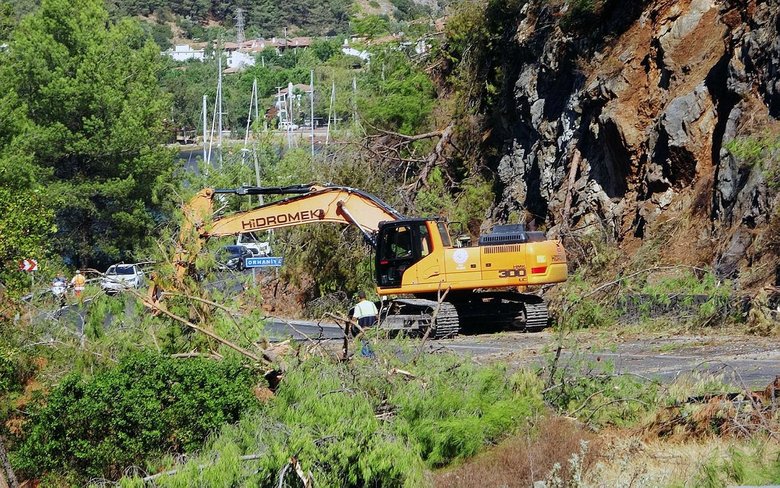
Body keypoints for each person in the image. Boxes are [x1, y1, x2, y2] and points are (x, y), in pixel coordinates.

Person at [350, 291, 378, 358]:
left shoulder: (358, 306)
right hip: (372, 324)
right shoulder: (372, 304)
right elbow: (377, 316)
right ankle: (372, 357)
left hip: (363, 324)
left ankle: (366, 357)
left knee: (363, 341)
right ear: (365, 297)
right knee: (371, 340)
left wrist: (352, 325)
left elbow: (354, 318)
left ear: (359, 298)